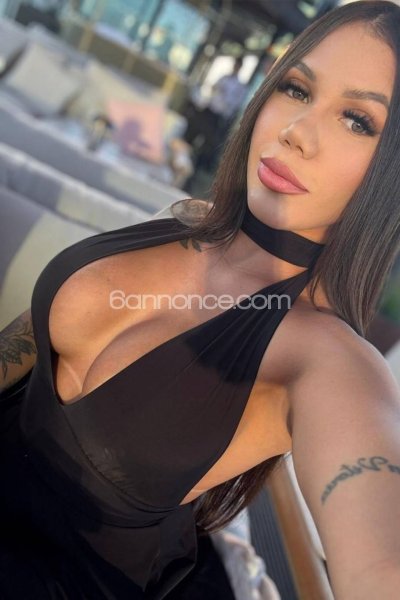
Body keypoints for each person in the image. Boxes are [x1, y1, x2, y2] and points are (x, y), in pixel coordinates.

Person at [1, 1, 400, 598]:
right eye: (296, 88)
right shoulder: (183, 219)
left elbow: (380, 568)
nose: (295, 132)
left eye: (357, 121)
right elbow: (25, 344)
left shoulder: (327, 361)